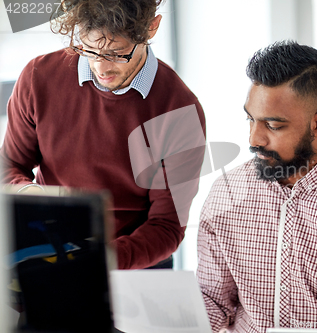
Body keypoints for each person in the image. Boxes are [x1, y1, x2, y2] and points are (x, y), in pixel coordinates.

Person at [197, 40, 317, 333]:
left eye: (273, 125)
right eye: (250, 119)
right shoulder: (226, 192)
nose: (254, 139)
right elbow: (213, 300)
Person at [0, 0, 206, 270]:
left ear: (152, 28)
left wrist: (96, 261)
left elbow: (166, 227)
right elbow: (11, 165)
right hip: (45, 250)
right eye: (88, 49)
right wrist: (31, 195)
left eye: (117, 54)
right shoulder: (39, 78)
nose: (101, 68)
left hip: (135, 262)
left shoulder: (179, 110)